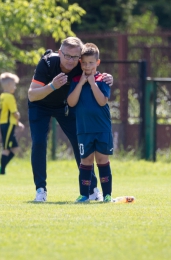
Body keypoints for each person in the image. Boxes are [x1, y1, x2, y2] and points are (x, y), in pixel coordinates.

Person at [28, 37, 113, 202]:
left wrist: (108, 78)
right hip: (40, 105)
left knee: (79, 142)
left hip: (64, 106)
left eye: (75, 57)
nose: (70, 60)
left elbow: (96, 72)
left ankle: (92, 190)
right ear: (59, 53)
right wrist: (52, 86)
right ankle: (40, 189)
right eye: (66, 56)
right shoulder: (46, 63)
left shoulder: (81, 67)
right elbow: (32, 95)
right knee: (38, 143)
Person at [67, 43, 114, 202]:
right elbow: (71, 103)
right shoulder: (75, 80)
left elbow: (102, 102)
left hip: (102, 129)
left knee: (102, 161)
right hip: (84, 129)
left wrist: (92, 83)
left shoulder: (103, 80)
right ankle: (84, 195)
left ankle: (107, 195)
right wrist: (81, 83)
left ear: (97, 63)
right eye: (85, 63)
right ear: (80, 63)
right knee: (86, 162)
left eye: (91, 63)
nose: (87, 66)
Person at [0, 72, 24, 175]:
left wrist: (18, 123)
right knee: (6, 148)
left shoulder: (2, 96)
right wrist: (18, 116)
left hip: (8, 124)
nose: (15, 87)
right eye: (14, 85)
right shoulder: (9, 97)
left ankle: (2, 167)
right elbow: (14, 112)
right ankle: (2, 171)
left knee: (15, 148)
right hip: (7, 124)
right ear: (8, 85)